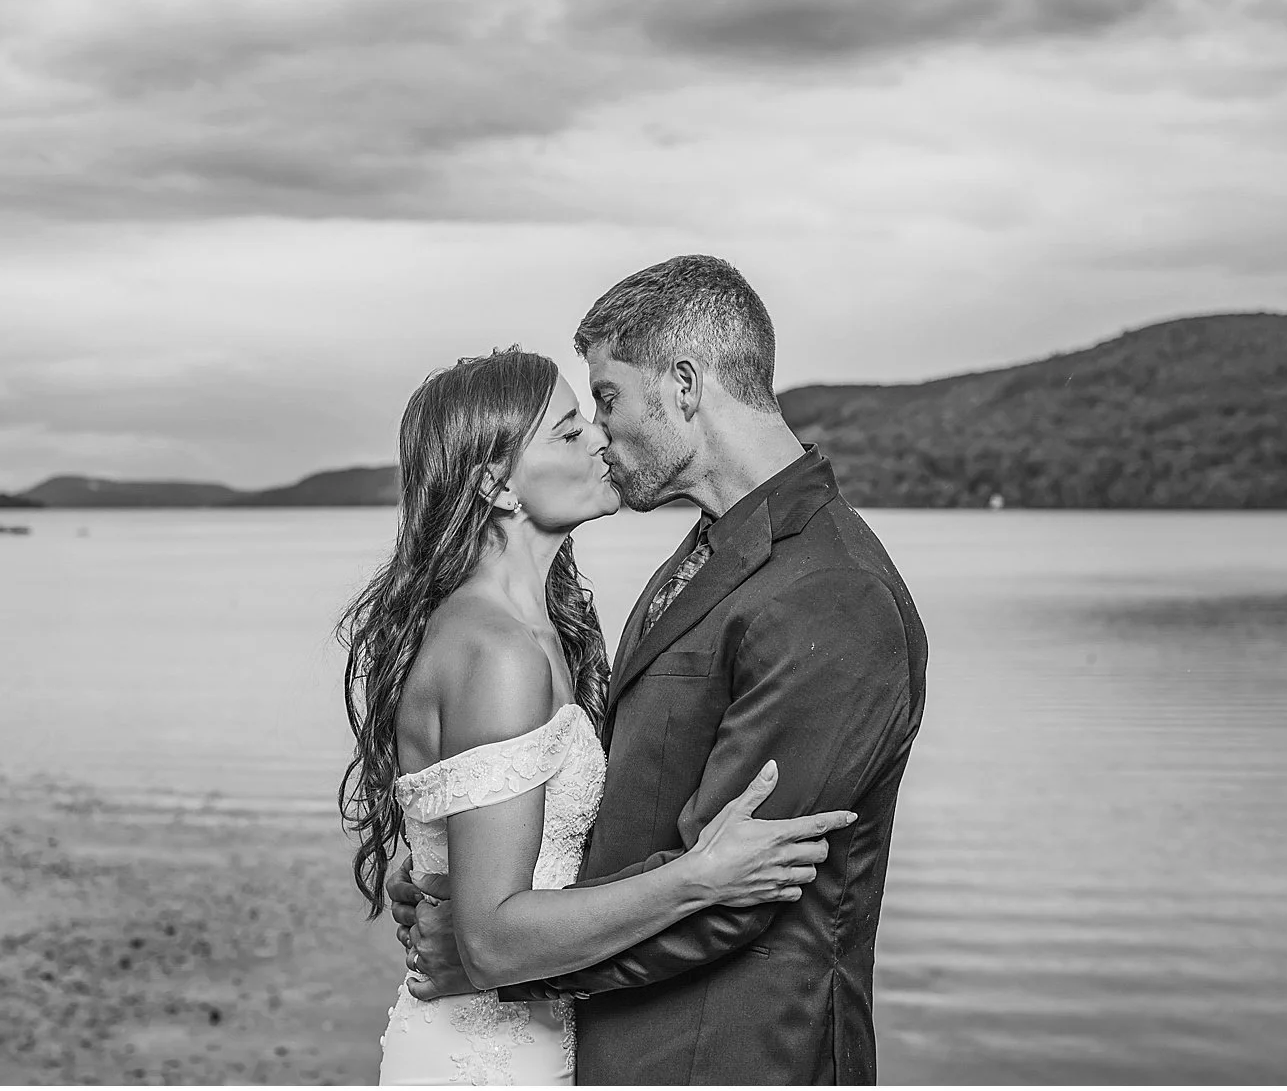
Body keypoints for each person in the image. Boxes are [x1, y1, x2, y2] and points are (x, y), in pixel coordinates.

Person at [390, 256, 929, 1084]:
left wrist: (487, 956)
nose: (599, 435)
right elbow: (626, 799)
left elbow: (744, 890)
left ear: (683, 384)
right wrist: (455, 868)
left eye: (603, 399)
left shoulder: (830, 594)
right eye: (577, 420)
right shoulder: (709, 554)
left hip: (729, 1057)